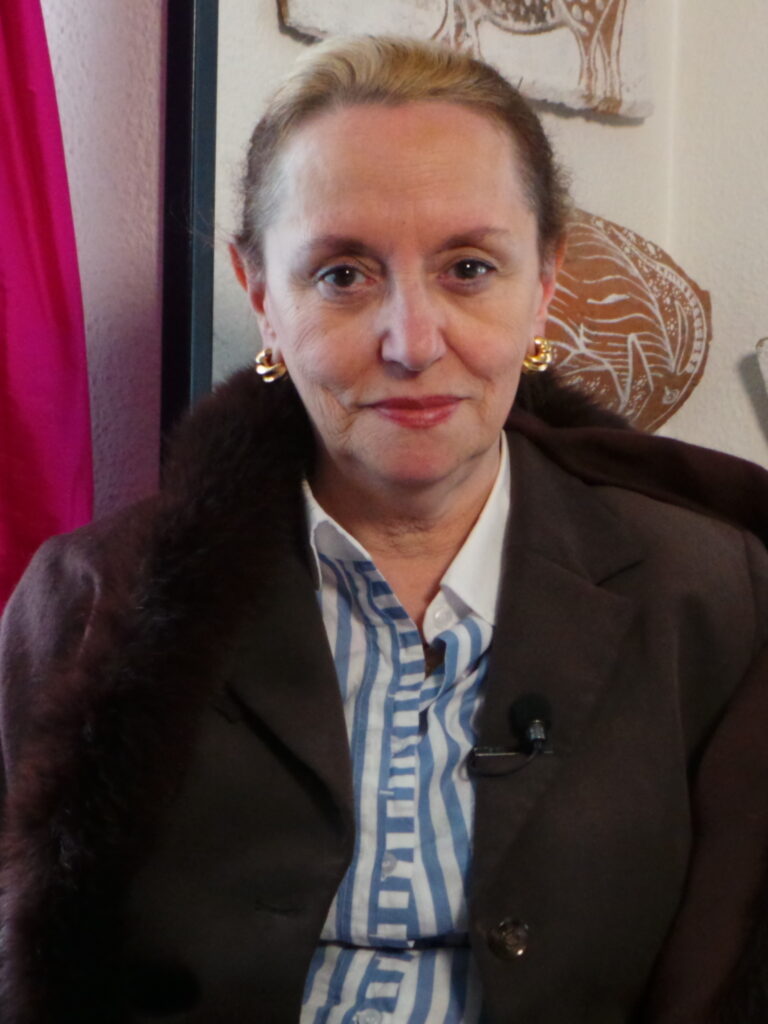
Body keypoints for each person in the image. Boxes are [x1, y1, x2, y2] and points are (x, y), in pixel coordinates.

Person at [1, 34, 768, 1024]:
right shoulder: (85, 605)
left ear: (545, 285)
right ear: (261, 296)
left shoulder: (713, 593)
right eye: (342, 275)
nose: (412, 342)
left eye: (469, 267)